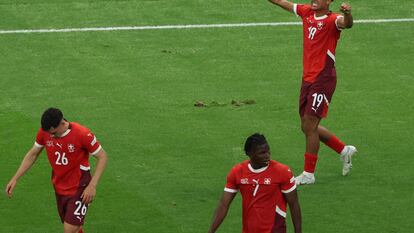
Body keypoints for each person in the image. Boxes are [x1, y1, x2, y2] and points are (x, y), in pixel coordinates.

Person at [267, 0, 357, 185]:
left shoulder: (333, 20)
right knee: (307, 126)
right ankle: (344, 150)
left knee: (310, 125)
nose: (313, 0)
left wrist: (348, 13)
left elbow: (347, 24)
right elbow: (284, 3)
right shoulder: (306, 12)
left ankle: (309, 175)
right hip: (307, 78)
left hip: (323, 78)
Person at [5, 108, 108, 233]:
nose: (50, 136)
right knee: (75, 228)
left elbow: (102, 156)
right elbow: (33, 154)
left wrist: (92, 186)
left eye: (53, 133)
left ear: (62, 124)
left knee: (69, 229)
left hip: (79, 187)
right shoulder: (46, 132)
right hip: (59, 186)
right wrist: (15, 178)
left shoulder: (83, 134)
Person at [208, 133, 301, 233]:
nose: (267, 156)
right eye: (262, 153)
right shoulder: (237, 172)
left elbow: (294, 204)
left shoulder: (282, 172)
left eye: (268, 151)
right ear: (249, 153)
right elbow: (223, 205)